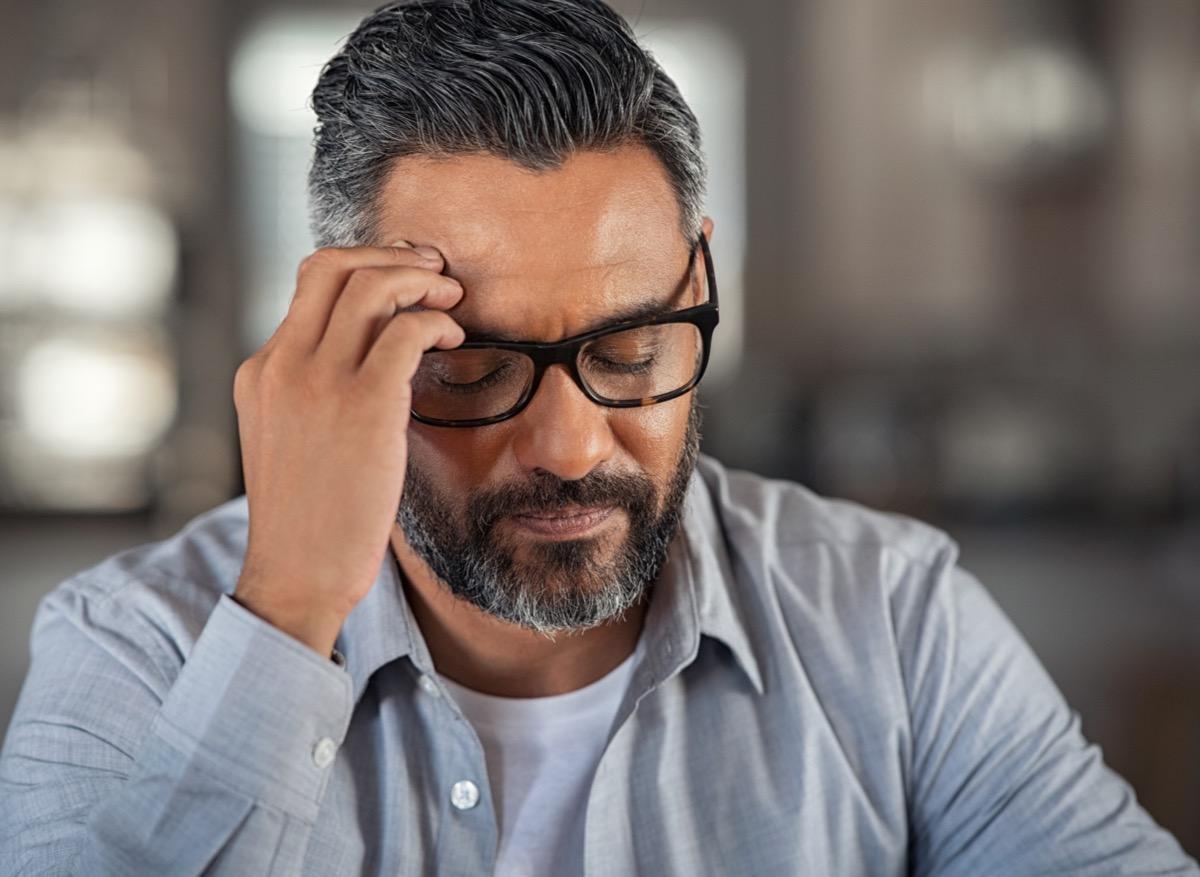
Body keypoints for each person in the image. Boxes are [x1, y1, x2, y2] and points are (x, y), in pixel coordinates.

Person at [1, 0, 1197, 873]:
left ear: (701, 278)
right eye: (470, 366)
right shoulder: (130, 649)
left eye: (630, 352)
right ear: (337, 344)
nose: (573, 447)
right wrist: (290, 604)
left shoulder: (893, 619)